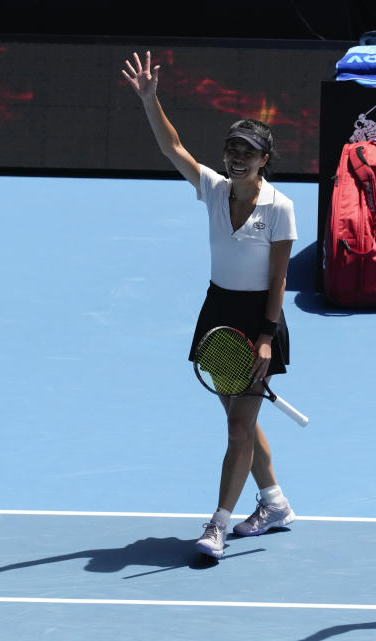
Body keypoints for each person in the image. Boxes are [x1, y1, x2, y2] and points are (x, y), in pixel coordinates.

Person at [122, 51, 298, 559]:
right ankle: (275, 502)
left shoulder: (280, 207)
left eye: (247, 151)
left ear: (265, 158)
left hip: (257, 321)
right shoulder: (213, 190)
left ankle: (218, 524)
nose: (236, 157)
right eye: (231, 149)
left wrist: (265, 338)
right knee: (240, 420)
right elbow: (172, 146)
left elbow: (279, 279)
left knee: (238, 426)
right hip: (218, 315)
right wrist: (151, 100)